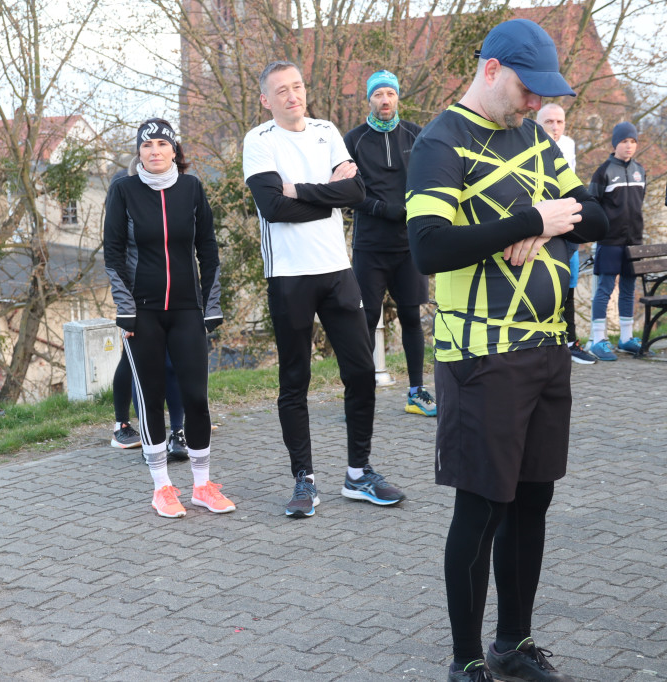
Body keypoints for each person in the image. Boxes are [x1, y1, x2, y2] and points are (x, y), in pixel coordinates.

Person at [406, 19, 607, 681]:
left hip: (548, 349)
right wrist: (531, 220)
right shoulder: (440, 143)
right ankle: (467, 661)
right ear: (490, 68)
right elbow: (429, 248)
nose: (532, 104)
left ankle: (512, 644)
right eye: (527, 88)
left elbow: (599, 215)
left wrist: (552, 225)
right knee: (483, 506)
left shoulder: (533, 138)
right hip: (481, 357)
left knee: (533, 500)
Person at [242, 60, 406, 518]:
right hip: (289, 276)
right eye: (281, 90)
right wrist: (323, 197)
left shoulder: (327, 129)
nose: (293, 96)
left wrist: (299, 190)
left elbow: (355, 193)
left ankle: (358, 474)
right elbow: (272, 207)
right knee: (295, 380)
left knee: (360, 372)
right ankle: (304, 480)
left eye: (297, 86)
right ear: (265, 99)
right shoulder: (258, 141)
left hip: (337, 271)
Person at [104, 118, 234, 518]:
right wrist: (125, 310)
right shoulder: (123, 191)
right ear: (138, 153)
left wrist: (210, 305)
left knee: (196, 396)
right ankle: (162, 487)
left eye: (163, 144)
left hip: (186, 310)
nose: (155, 151)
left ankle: (201, 485)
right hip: (142, 314)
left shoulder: (192, 189)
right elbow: (112, 253)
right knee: (152, 398)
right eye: (147, 145)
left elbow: (208, 249)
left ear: (175, 150)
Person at [343, 70, 436, 416]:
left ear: (398, 98)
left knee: (411, 316)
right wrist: (384, 209)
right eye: (379, 94)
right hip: (369, 245)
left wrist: (415, 210)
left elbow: (431, 178)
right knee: (365, 318)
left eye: (390, 94)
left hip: (409, 244)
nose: (385, 100)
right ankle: (359, 396)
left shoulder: (416, 134)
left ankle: (416, 392)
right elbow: (347, 193)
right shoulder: (352, 139)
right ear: (369, 99)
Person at [537, 103, 599, 364]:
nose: (555, 127)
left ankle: (570, 341)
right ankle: (543, 344)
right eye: (549, 122)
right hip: (541, 223)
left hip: (567, 222)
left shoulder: (569, 144)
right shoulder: (526, 145)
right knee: (543, 286)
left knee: (569, 284)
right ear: (537, 124)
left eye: (559, 122)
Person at [587, 121, 646, 360]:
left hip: (634, 241)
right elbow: (591, 205)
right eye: (624, 141)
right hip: (609, 241)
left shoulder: (640, 170)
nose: (629, 146)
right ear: (615, 144)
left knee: (629, 289)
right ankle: (598, 340)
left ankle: (625, 339)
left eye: (632, 141)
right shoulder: (603, 171)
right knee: (605, 289)